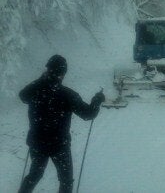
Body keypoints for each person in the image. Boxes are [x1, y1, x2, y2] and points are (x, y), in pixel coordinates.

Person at [18, 55, 105, 193]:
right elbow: (88, 114)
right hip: (59, 145)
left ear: (47, 70)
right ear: (63, 74)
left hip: (37, 143)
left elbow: (22, 96)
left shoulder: (35, 90)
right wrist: (97, 100)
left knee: (35, 174)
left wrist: (42, 80)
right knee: (66, 180)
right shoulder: (68, 95)